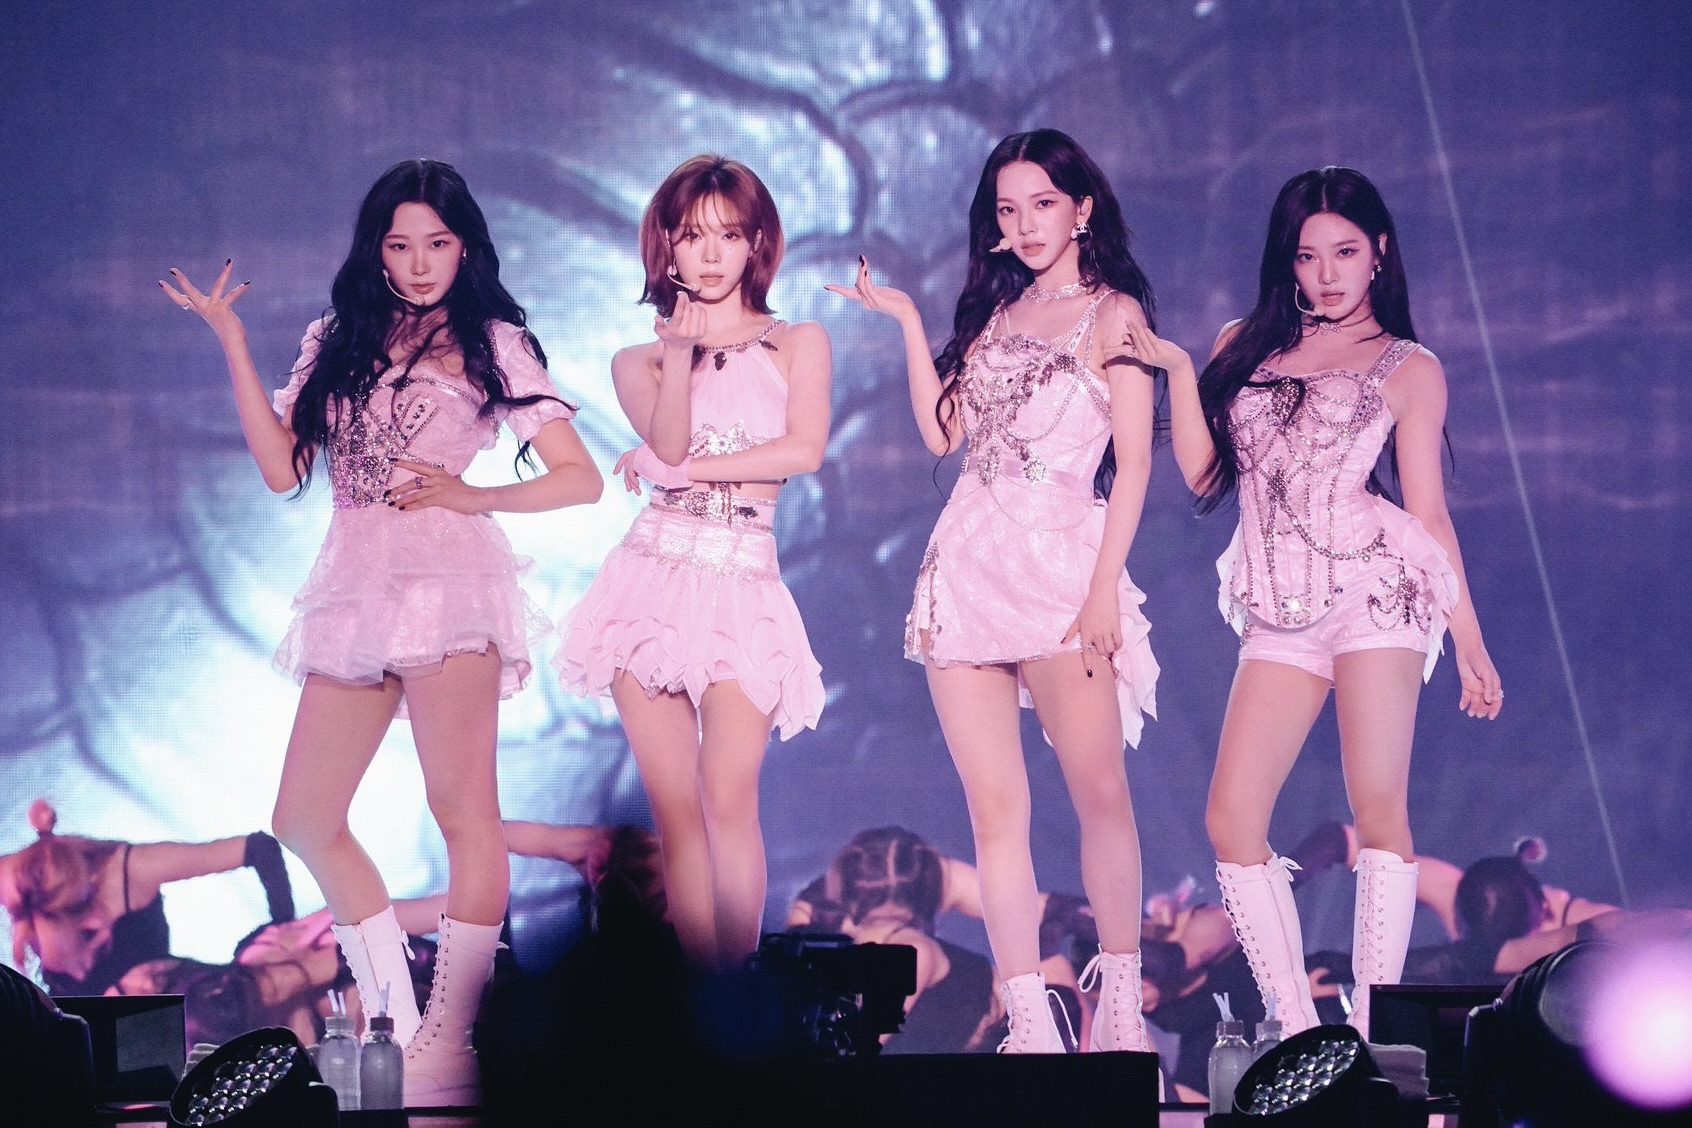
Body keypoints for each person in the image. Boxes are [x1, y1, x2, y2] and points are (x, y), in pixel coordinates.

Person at [159, 158, 602, 1105]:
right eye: (400, 246)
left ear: (465, 246)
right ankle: (394, 1017)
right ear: (377, 251)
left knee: (463, 811)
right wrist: (232, 340)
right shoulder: (339, 336)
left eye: (437, 243)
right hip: (358, 586)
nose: (419, 263)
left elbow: (581, 478)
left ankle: (451, 1032)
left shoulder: (493, 342)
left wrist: (471, 494)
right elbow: (283, 471)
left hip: (450, 581)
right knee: (303, 817)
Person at [1149, 165, 1503, 1037]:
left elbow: (1428, 515)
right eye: (1308, 256)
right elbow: (1204, 475)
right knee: (1232, 820)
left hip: (1375, 594)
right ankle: (1298, 1031)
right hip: (1277, 610)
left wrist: (1468, 638)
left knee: (1377, 808)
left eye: (1344, 252)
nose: (1327, 273)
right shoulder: (1245, 343)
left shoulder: (1409, 367)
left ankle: (1375, 1030)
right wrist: (1183, 370)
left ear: (1378, 250)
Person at [829, 129, 1160, 1053]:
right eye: (1008, 210)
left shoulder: (1115, 313)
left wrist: (1104, 590)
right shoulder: (998, 314)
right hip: (968, 570)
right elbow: (944, 435)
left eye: (1043, 204)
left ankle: (1122, 1011)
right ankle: (1028, 1021)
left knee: (1100, 791)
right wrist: (905, 321)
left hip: (1064, 572)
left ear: (1081, 208)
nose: (1025, 224)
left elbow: (1134, 465)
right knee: (993, 811)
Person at [555, 155, 830, 972]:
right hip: (651, 576)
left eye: (729, 235)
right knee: (676, 813)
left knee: (728, 795)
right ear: (665, 247)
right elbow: (669, 445)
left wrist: (674, 467)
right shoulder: (634, 361)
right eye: (691, 235)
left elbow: (803, 451)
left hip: (743, 575)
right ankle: (705, 1002)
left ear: (757, 244)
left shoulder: (798, 343)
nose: (710, 254)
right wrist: (677, 358)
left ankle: (738, 993)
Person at [1, 799, 293, 996]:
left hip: (184, 1019)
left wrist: (282, 928)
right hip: (92, 1045)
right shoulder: (28, 903)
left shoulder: (131, 869)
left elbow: (259, 848)